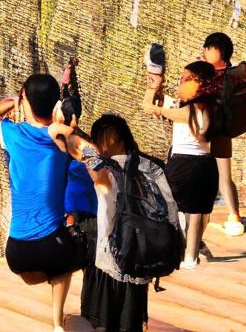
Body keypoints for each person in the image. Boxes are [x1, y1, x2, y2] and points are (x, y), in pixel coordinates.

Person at [51, 114, 180, 332]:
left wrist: (65, 128)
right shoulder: (153, 168)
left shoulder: (105, 169)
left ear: (109, 140)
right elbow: (172, 214)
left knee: (96, 325)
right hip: (142, 266)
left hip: (107, 264)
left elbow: (72, 144)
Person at [0, 74, 73, 332]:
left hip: (18, 253)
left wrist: (8, 103)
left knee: (36, 270)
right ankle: (56, 323)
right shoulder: (63, 138)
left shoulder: (14, 134)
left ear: (24, 101)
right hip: (54, 249)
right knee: (64, 268)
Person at [142, 60, 218, 269]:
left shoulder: (187, 112)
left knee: (165, 206)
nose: (181, 83)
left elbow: (148, 107)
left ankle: (166, 250)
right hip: (208, 166)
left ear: (199, 83)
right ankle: (190, 258)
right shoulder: (214, 107)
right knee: (196, 212)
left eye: (186, 79)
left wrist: (153, 86)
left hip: (183, 164)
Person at [201, 32, 244, 236]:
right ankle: (234, 215)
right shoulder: (232, 74)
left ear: (219, 51)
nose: (205, 51)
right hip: (222, 129)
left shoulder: (216, 74)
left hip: (210, 130)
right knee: (224, 176)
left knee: (217, 176)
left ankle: (209, 217)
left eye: (209, 48)